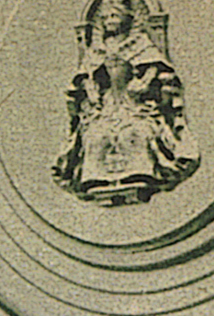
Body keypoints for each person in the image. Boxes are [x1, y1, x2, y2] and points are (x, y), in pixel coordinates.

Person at [51, 0, 198, 205]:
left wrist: (144, 83)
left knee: (137, 131)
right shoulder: (98, 48)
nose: (110, 21)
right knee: (96, 135)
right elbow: (84, 77)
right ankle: (97, 179)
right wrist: (91, 91)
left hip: (135, 104)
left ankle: (138, 174)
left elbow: (158, 69)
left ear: (128, 19)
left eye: (115, 16)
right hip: (107, 105)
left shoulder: (140, 43)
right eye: (106, 18)